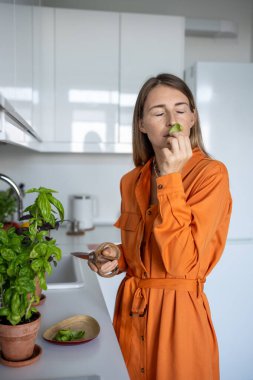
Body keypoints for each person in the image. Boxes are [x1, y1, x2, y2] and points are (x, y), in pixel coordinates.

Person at [88, 73, 232, 380]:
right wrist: (116, 259)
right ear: (141, 125)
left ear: (193, 118)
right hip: (130, 315)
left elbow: (179, 262)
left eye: (181, 110)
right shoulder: (131, 181)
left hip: (178, 321)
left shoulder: (212, 175)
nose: (172, 120)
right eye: (158, 112)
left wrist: (170, 178)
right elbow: (141, 255)